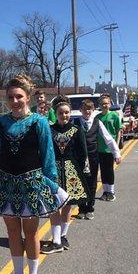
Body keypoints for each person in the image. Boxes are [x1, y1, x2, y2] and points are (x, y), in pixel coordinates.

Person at [0, 76, 68, 274]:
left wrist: (51, 183)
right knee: (12, 232)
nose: (15, 100)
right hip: (7, 184)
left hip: (32, 184)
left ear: (28, 97)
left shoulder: (39, 122)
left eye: (19, 96)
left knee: (31, 233)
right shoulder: (1, 123)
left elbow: (47, 154)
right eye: (11, 97)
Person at [41, 96, 89, 254]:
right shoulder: (49, 129)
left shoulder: (77, 130)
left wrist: (81, 171)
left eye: (67, 112)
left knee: (68, 204)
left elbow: (82, 153)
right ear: (56, 113)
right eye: (61, 113)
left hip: (71, 171)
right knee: (54, 203)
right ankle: (56, 238)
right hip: (53, 170)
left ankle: (62, 235)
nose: (64, 115)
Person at [74, 99, 121, 219]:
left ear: (93, 110)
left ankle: (90, 208)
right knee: (80, 183)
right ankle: (81, 209)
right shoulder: (75, 122)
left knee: (92, 183)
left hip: (93, 157)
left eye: (89, 109)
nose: (87, 111)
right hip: (79, 158)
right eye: (84, 109)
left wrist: (116, 153)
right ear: (80, 110)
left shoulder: (97, 122)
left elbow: (108, 139)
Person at [95, 94, 122, 202]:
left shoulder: (114, 115)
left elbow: (118, 131)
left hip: (110, 148)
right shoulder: (97, 117)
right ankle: (105, 191)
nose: (105, 105)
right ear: (99, 106)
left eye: (106, 103)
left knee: (109, 170)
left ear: (110, 104)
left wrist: (117, 145)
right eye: (102, 104)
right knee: (103, 170)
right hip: (100, 148)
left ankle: (111, 191)